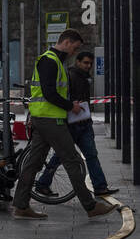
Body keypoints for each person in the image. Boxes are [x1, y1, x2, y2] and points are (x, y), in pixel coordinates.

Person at [11, 30, 116, 219]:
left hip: (45, 119)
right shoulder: (49, 61)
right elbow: (49, 92)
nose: (75, 52)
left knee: (33, 163)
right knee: (73, 160)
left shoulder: (56, 61)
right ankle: (90, 206)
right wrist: (71, 107)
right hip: (50, 120)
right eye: (75, 48)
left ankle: (20, 205)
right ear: (67, 42)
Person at [35, 50, 117, 198]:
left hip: (83, 123)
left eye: (90, 63)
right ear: (78, 62)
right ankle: (42, 183)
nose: (88, 66)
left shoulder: (84, 77)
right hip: (72, 123)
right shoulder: (70, 76)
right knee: (62, 156)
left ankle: (100, 187)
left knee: (90, 155)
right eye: (85, 62)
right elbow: (62, 97)